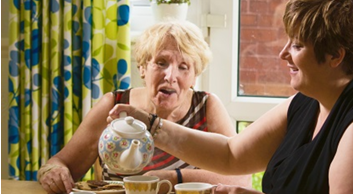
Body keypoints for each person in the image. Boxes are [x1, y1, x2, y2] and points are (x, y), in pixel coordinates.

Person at [108, 0, 353, 193]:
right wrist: (149, 124)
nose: (283, 53)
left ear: (336, 55)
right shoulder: (310, 103)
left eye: (297, 45)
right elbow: (231, 154)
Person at [37, 20, 251, 194]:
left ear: (195, 76)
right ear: (142, 67)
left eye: (183, 67)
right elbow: (61, 163)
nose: (170, 76)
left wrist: (174, 177)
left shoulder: (206, 107)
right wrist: (54, 171)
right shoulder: (115, 105)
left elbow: (242, 177)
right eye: (161, 63)